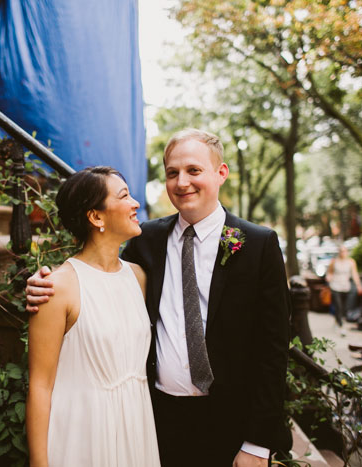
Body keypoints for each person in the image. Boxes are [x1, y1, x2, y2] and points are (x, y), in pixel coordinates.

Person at [27, 129, 291, 467]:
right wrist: (38, 280)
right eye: (172, 173)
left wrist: (257, 443)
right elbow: (97, 274)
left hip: (231, 423)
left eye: (194, 170)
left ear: (220, 173)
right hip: (156, 421)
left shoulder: (258, 244)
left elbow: (273, 350)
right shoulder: (147, 240)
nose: (182, 182)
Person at [26, 166, 160, 467]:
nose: (136, 203)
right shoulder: (58, 287)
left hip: (136, 428)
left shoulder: (138, 277)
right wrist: (39, 463)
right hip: (83, 435)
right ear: (96, 217)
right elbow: (40, 386)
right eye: (124, 196)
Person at [326, 245, 362, 336]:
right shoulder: (334, 262)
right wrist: (328, 278)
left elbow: (354, 274)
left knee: (344, 307)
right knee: (338, 305)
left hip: (345, 286)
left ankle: (337, 321)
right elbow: (330, 272)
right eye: (341, 251)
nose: (343, 253)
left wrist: (358, 285)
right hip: (335, 286)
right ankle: (341, 325)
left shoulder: (351, 262)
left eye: (344, 251)